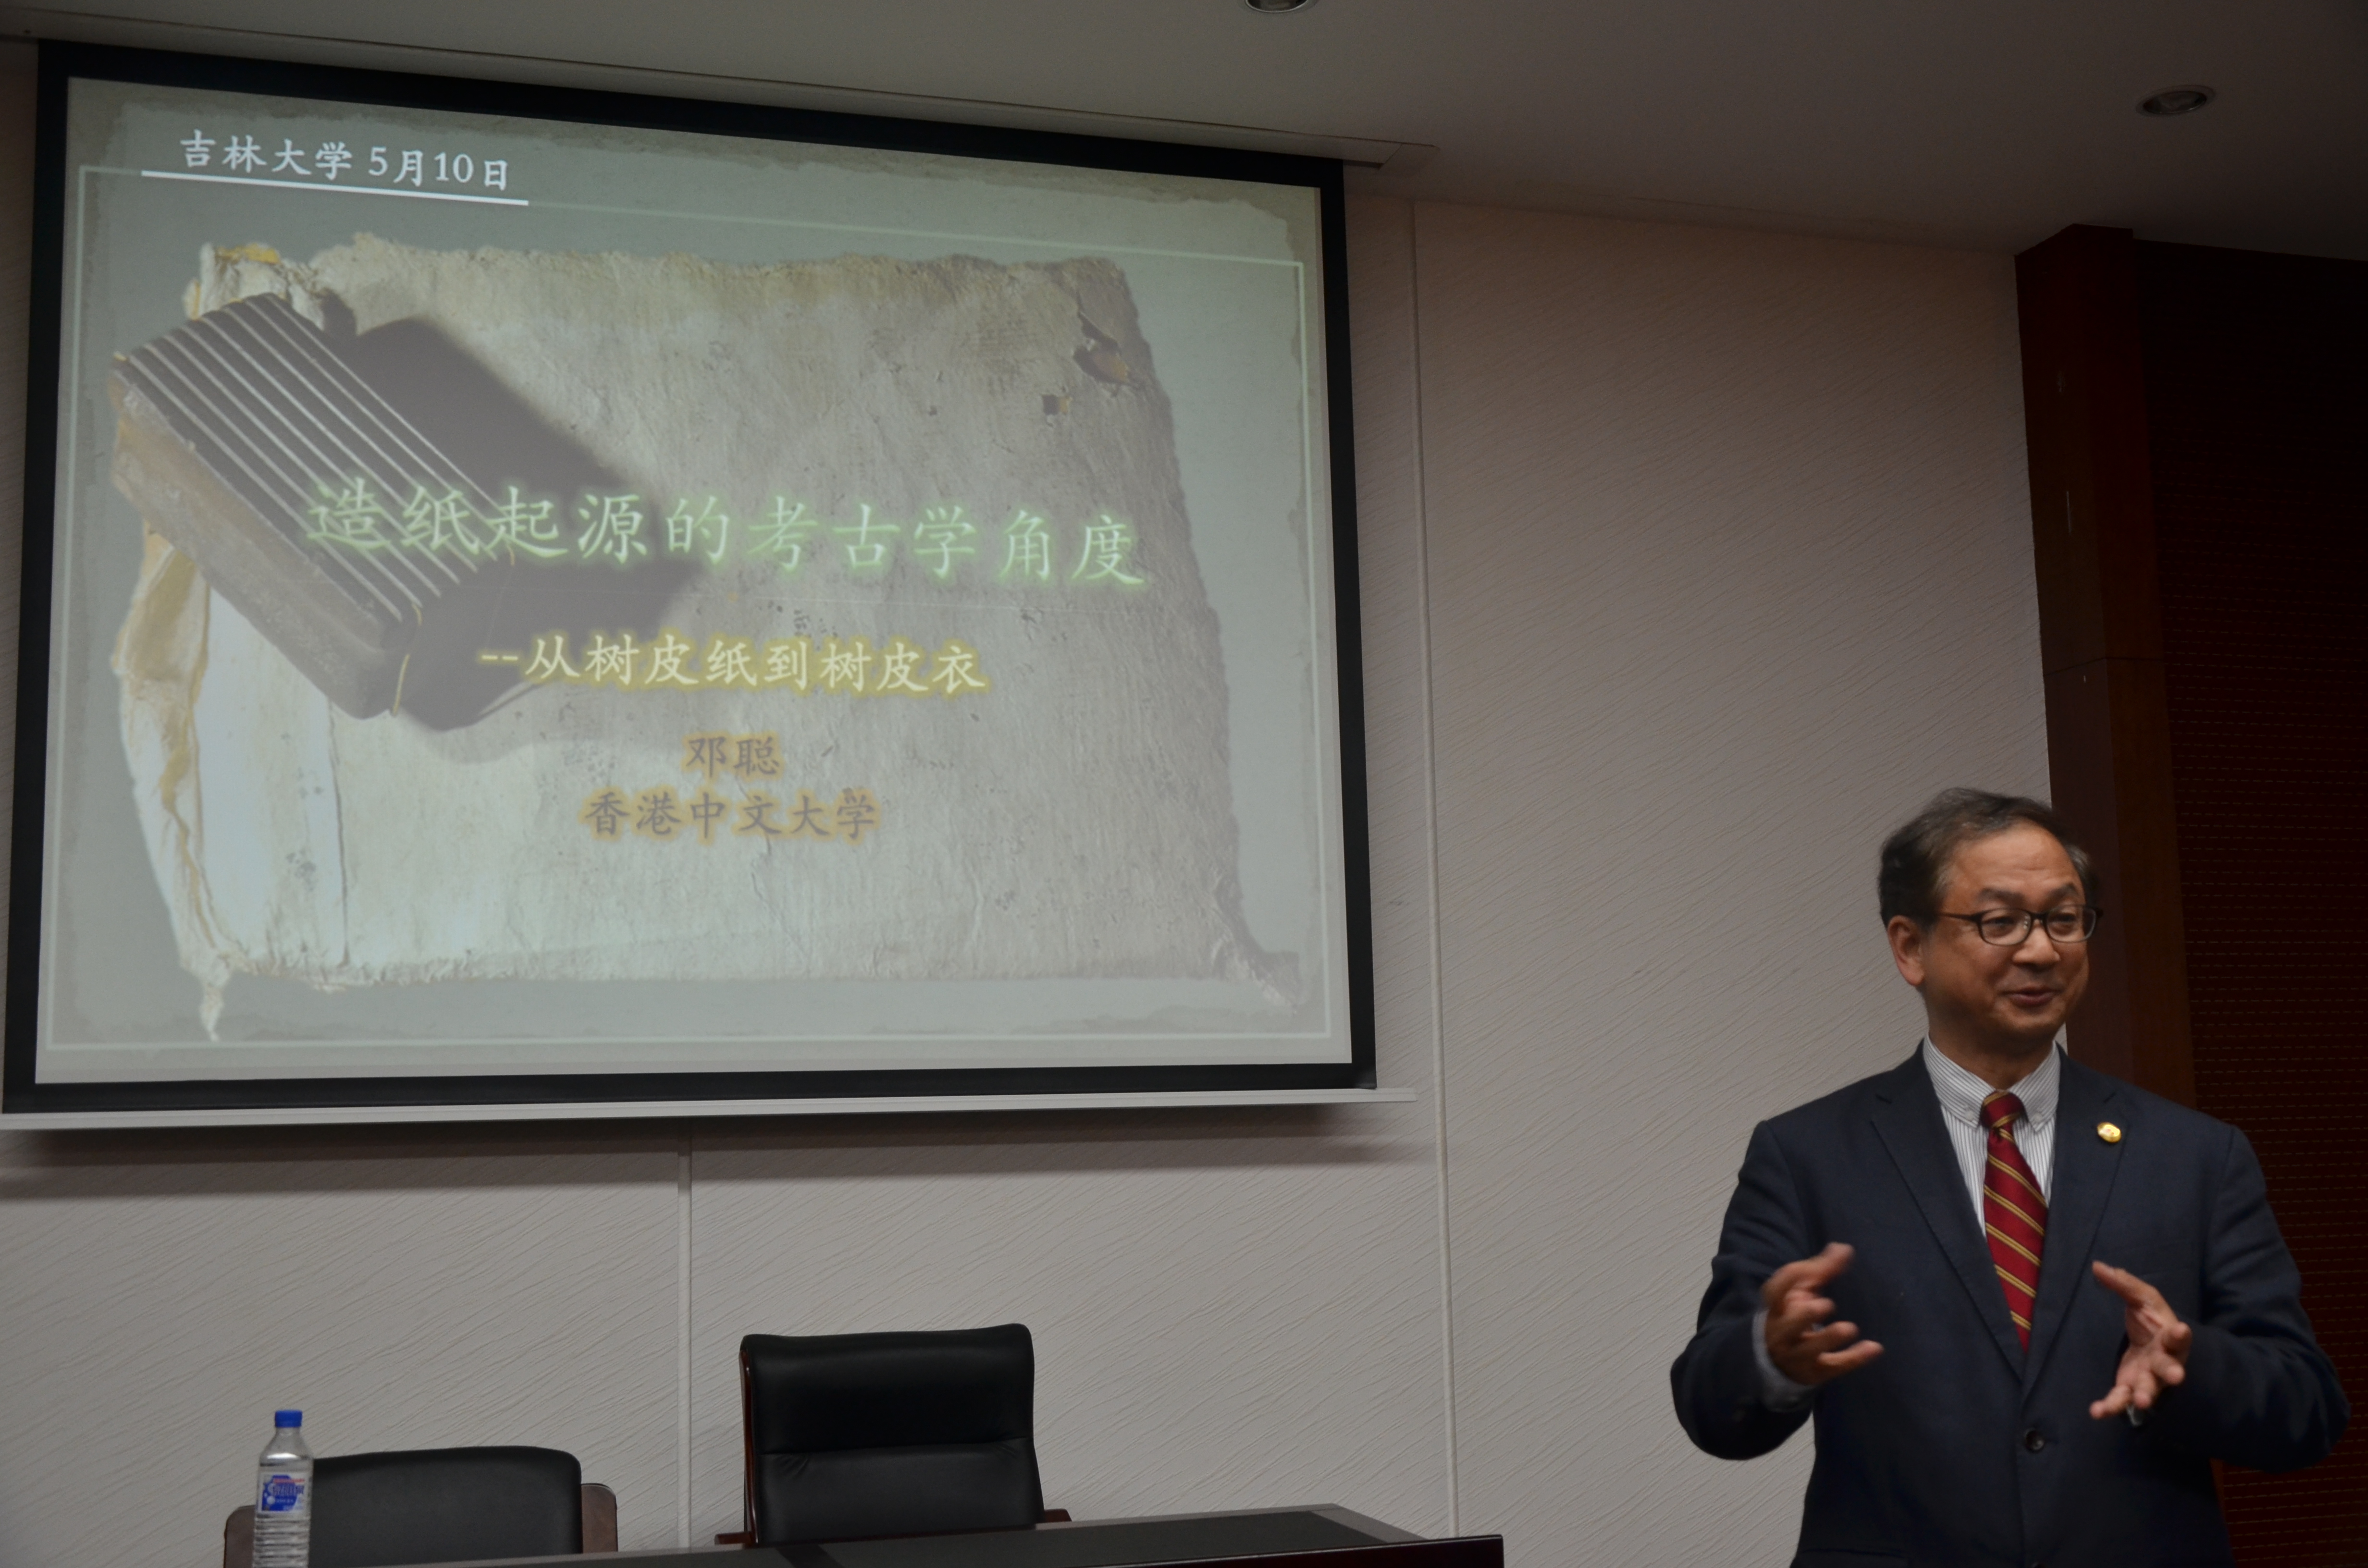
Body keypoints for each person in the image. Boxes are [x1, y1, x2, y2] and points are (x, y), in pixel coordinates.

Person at [1670, 788, 2345, 1567]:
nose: (2041, 951)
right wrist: (1769, 1356)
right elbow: (1708, 1407)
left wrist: (2191, 1368)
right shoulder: (1808, 1155)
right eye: (2000, 921)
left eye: (2064, 919)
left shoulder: (2195, 1155)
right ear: (1910, 947)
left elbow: (2308, 1409)